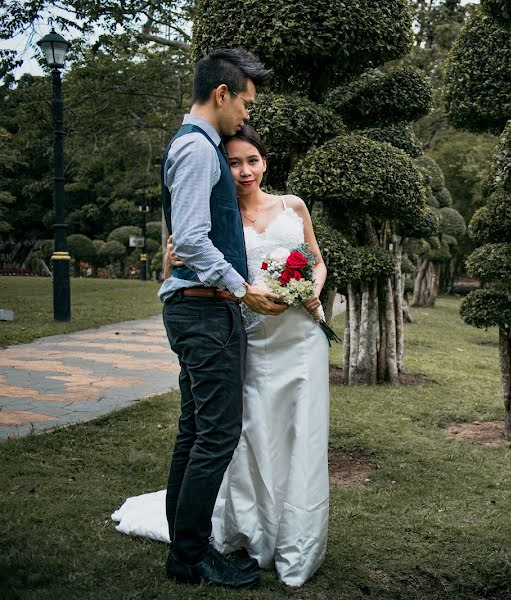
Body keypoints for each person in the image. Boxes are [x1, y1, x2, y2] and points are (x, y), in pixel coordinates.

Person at [113, 124, 331, 588]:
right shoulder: (216, 214)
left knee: (301, 431)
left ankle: (297, 530)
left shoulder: (293, 206)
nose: (244, 170)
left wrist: (309, 291)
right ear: (221, 169)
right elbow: (182, 259)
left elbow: (315, 258)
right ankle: (248, 529)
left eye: (252, 160)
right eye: (233, 163)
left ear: (266, 162)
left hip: (299, 333)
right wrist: (172, 255)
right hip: (247, 333)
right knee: (245, 434)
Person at [155, 47, 284, 590]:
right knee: (215, 435)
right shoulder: (198, 151)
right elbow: (188, 238)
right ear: (222, 94)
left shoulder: (203, 148)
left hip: (202, 310)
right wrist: (242, 288)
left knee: (196, 432)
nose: (247, 116)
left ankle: (186, 549)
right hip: (205, 311)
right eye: (246, 103)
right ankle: (190, 558)